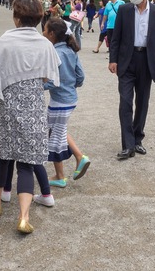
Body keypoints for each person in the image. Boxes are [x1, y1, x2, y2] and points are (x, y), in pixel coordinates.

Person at [0, 0, 60, 234]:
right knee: (27, 164)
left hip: (8, 107)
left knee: (2, 157)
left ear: (16, 17)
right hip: (33, 108)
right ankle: (23, 217)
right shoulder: (45, 44)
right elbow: (47, 78)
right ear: (38, 18)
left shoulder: (6, 41)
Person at [108, 0, 155, 160]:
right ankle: (128, 145)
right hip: (127, 61)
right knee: (126, 102)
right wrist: (113, 59)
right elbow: (116, 38)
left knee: (142, 102)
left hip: (147, 60)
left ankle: (137, 139)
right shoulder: (124, 10)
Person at [43, 18, 90, 187]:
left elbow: (53, 81)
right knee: (58, 132)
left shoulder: (55, 53)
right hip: (70, 99)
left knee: (55, 138)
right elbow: (80, 76)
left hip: (59, 102)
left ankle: (77, 160)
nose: (43, 33)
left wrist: (37, 86)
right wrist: (71, 85)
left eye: (45, 31)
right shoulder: (71, 51)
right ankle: (61, 173)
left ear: (52, 34)